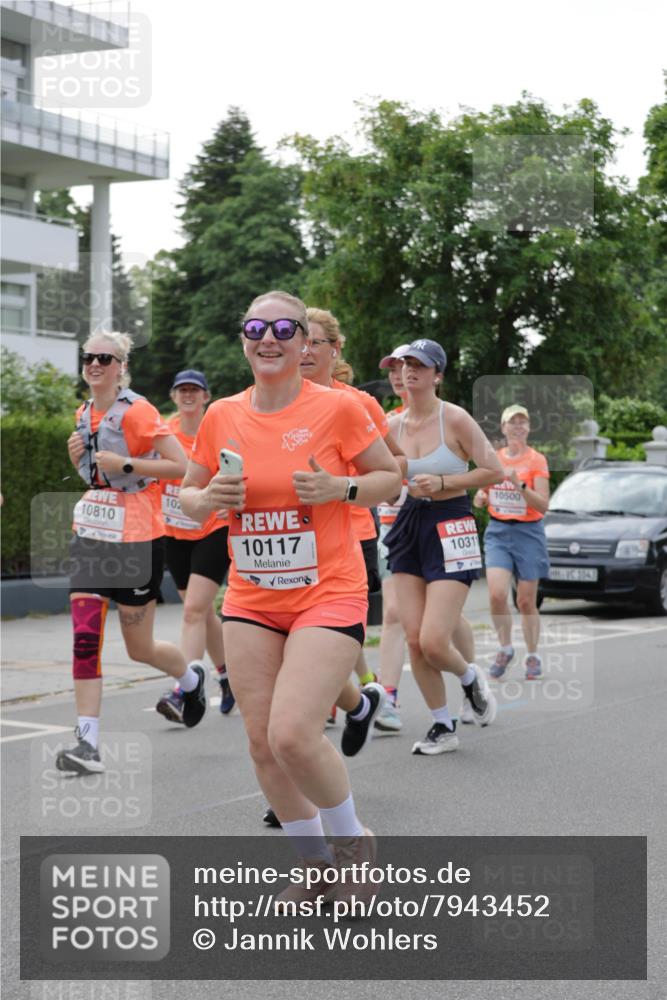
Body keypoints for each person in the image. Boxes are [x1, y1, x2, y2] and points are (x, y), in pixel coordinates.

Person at [180, 290, 401, 891]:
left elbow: (389, 477)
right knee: (261, 743)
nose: (268, 338)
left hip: (328, 591)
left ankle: (354, 845)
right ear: (244, 340)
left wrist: (341, 489)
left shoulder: (339, 408)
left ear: (304, 342)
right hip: (252, 598)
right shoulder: (222, 415)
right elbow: (189, 497)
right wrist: (208, 498)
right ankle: (315, 868)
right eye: (256, 328)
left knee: (292, 734)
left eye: (283, 328)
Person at [57, 332, 206, 776]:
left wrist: (127, 464)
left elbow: (181, 465)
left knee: (139, 648)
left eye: (105, 358)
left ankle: (190, 679)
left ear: (121, 367)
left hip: (138, 539)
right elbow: (96, 478)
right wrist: (78, 460)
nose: (95, 364)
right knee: (85, 640)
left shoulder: (139, 411)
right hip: (91, 536)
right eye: (89, 356)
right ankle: (87, 744)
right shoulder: (83, 413)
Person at [384, 339, 503, 755]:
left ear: (437, 375)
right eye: (404, 364)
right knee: (415, 641)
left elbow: (494, 470)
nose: (409, 371)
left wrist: (443, 482)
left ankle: (470, 679)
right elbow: (383, 480)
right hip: (408, 526)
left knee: (435, 640)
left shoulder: (454, 418)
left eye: (419, 365)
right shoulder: (390, 426)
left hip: (451, 523)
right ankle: (442, 726)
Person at [301, 307, 405, 753]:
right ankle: (361, 696)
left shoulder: (356, 403)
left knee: (330, 637)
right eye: (299, 341)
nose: (304, 351)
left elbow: (396, 462)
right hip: (290, 541)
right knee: (304, 643)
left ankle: (358, 695)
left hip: (350, 533)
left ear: (335, 348)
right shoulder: (272, 401)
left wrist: (354, 487)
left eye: (315, 342)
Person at [155, 370, 234, 724]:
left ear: (206, 396)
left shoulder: (216, 432)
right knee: (200, 612)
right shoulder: (163, 434)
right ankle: (228, 676)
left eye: (194, 390)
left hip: (212, 529)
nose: (188, 395)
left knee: (192, 611)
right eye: (182, 390)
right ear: (173, 396)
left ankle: (184, 689)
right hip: (175, 533)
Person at [473, 404, 550, 680]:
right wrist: (480, 498)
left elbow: (543, 505)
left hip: (529, 533)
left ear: (528, 428)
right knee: (496, 594)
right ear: (503, 428)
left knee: (526, 601)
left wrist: (520, 485)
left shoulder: (537, 460)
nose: (518, 427)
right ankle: (505, 648)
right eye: (512, 422)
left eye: (522, 422)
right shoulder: (494, 459)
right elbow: (480, 496)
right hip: (498, 531)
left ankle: (532, 654)